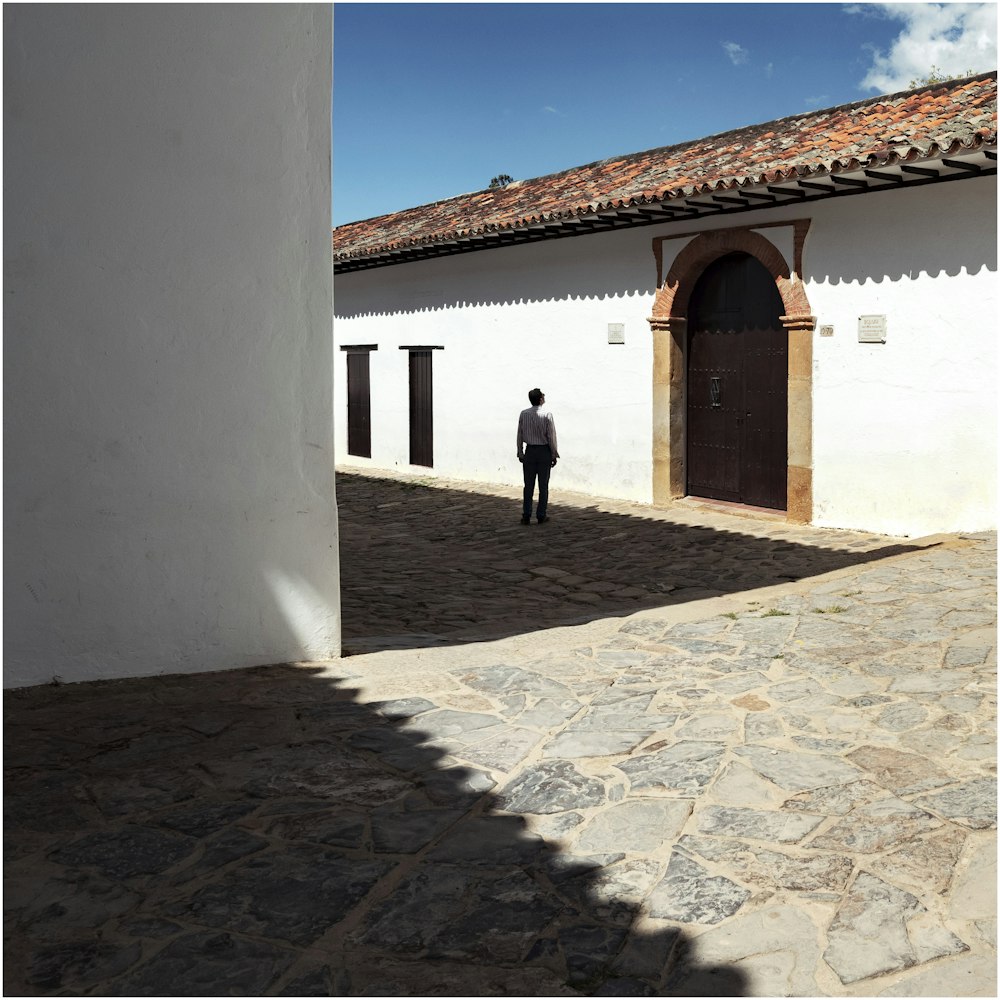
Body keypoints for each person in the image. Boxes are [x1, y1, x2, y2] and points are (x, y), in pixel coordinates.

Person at [516, 387, 559, 524]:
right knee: (543, 486)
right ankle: (541, 514)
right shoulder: (547, 414)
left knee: (528, 485)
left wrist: (520, 451)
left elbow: (520, 434)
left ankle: (526, 514)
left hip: (530, 451)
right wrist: (554, 453)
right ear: (540, 399)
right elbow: (551, 436)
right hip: (543, 451)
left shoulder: (524, 414)